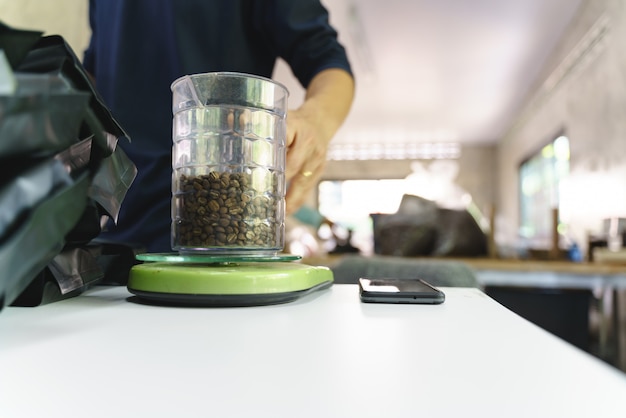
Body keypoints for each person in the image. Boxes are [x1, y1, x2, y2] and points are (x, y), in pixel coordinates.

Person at [83, 0, 354, 252]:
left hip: (220, 234)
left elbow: (327, 58)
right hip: (111, 237)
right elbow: (96, 74)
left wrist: (314, 122)